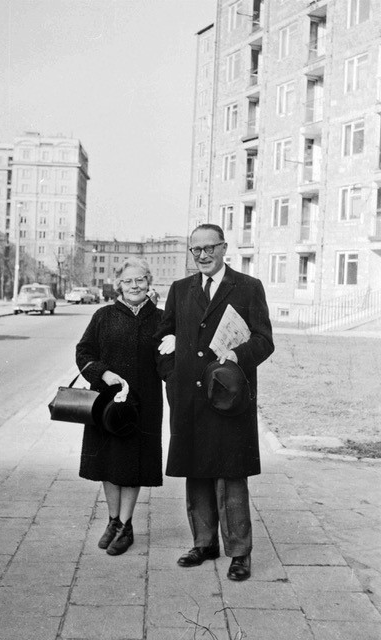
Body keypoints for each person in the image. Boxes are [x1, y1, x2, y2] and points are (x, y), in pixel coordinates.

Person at [156, 223, 274, 581]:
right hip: (190, 395)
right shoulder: (180, 289)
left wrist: (239, 355)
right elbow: (164, 335)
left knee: (232, 474)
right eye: (197, 250)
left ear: (224, 248)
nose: (203, 256)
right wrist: (171, 376)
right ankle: (204, 543)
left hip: (229, 397)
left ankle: (239, 553)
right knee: (197, 470)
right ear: (191, 254)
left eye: (210, 248)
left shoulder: (248, 287)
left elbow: (264, 340)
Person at [76, 258, 163, 556]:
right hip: (107, 402)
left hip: (144, 403)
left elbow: (170, 359)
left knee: (133, 463)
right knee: (108, 463)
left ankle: (126, 525)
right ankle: (113, 520)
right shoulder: (103, 316)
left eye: (140, 279)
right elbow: (83, 351)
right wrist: (103, 373)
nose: (135, 285)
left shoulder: (162, 319)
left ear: (149, 282)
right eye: (128, 281)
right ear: (119, 285)